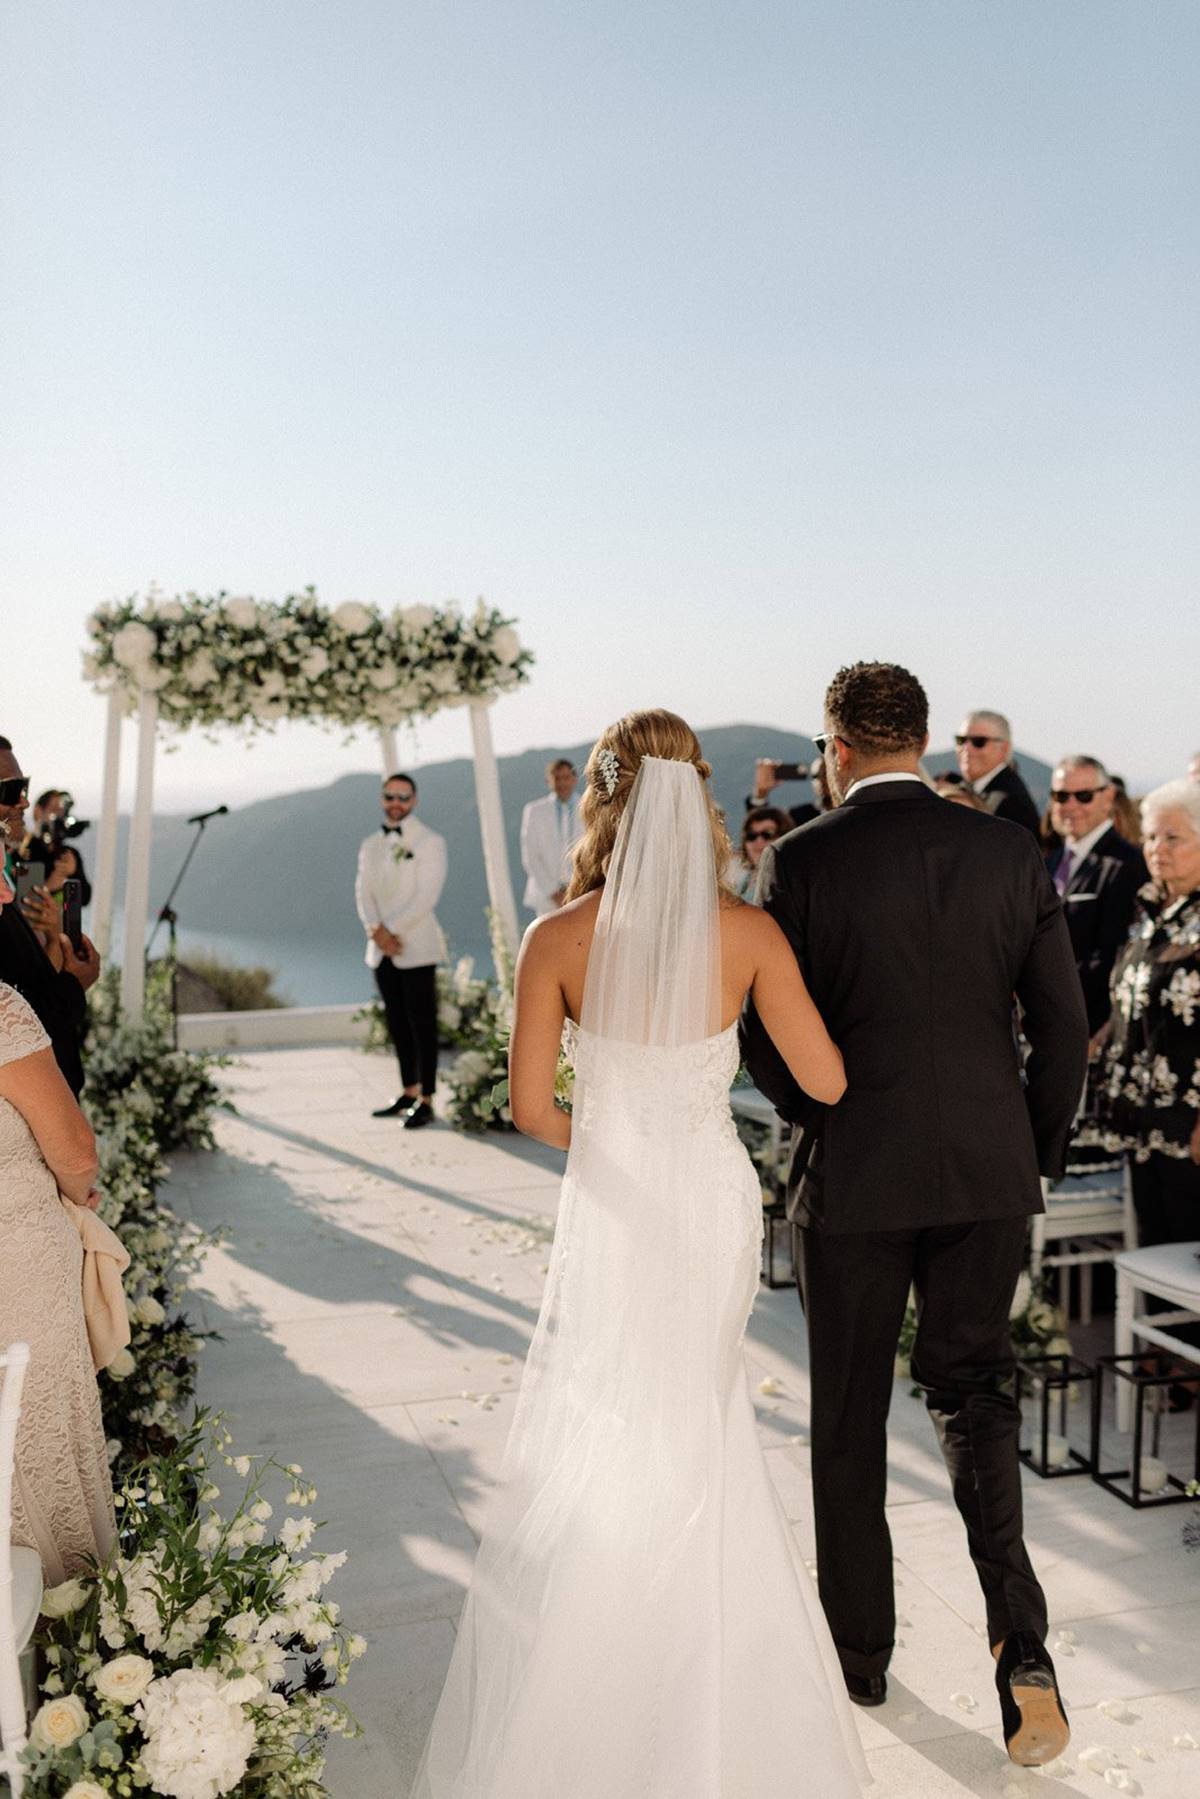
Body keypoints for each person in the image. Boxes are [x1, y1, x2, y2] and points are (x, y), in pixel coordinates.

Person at [411, 710, 868, 1799]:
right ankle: (704, 1666)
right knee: (700, 1412)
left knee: (619, 1407)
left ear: (603, 798)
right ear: (696, 798)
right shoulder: (746, 932)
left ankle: (607, 1654)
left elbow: (532, 1107)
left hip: (617, 1199)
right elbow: (827, 1081)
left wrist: (620, 1143)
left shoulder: (555, 938)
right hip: (710, 1199)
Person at [742, 662, 1086, 1768]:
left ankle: (859, 1655)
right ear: (926, 740)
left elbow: (762, 1026)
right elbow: (1064, 1030)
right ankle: (1021, 1645)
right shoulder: (1009, 850)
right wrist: (1029, 1153)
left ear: (836, 747)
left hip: (856, 1175)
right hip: (987, 1172)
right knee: (975, 1392)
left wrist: (821, 1116)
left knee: (848, 1410)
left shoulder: (800, 859)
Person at [0, 857, 117, 1584]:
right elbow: (75, 1150)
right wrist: (78, 1191)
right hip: (18, 1270)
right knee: (38, 1449)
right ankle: (65, 1631)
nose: (7, 888)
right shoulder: (0, 1011)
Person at [1095, 779, 1200, 1307]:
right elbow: (1132, 1000)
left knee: (1190, 1251)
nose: (1157, 848)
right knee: (1157, 1244)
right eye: (1152, 837)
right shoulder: (1148, 912)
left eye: (1173, 837)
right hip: (1142, 1115)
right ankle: (1162, 1348)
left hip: (1190, 1121)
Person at [0, 739, 100, 1096]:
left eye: (24, 788)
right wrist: (73, 984)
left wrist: (60, 935)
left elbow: (82, 896)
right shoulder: (27, 855)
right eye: (11, 789)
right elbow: (18, 1020)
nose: (23, 802)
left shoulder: (62, 853)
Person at [355, 773, 447, 1128]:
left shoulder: (430, 842)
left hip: (416, 946)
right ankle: (408, 1091)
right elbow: (362, 892)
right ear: (382, 799)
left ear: (414, 800)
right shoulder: (370, 844)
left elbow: (427, 896)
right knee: (397, 1022)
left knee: (423, 1023)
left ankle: (427, 1099)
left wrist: (391, 931)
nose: (396, 803)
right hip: (380, 948)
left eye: (403, 797)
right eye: (390, 796)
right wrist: (376, 931)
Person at [1046, 758, 1147, 1039]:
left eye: (1084, 796)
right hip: (1044, 1025)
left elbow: (1114, 955)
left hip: (1090, 1028)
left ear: (1108, 797)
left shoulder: (1127, 864)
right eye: (1061, 796)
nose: (1071, 805)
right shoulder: (1049, 861)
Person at [955, 710, 1041, 834]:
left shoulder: (1010, 803)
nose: (966, 748)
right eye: (961, 740)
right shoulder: (981, 791)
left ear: (1004, 748)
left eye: (979, 741)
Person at [519, 758, 580, 916]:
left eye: (566, 777)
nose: (562, 783)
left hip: (582, 892)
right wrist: (553, 893)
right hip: (547, 897)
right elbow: (531, 855)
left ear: (574, 779)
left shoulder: (588, 807)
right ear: (549, 781)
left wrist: (580, 888)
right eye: (557, 778)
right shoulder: (534, 811)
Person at [733, 804, 791, 898]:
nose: (758, 841)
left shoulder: (791, 882)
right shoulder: (743, 881)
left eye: (767, 835)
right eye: (751, 836)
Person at [748, 756, 823, 826]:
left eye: (825, 773)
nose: (822, 780)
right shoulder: (798, 817)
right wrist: (761, 794)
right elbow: (761, 828)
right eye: (816, 776)